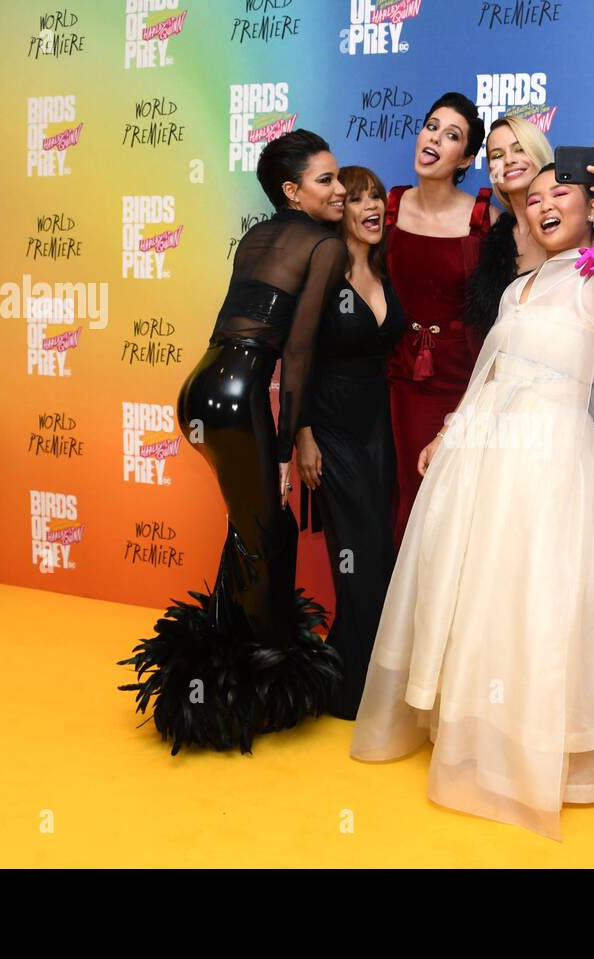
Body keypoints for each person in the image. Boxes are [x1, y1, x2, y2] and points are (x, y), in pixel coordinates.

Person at [350, 142, 594, 843]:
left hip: (550, 464)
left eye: (561, 193)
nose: (544, 205)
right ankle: (483, 736)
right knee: (489, 596)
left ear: (591, 205)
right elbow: (492, 376)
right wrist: (450, 432)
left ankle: (556, 754)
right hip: (484, 460)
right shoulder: (518, 288)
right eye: (532, 199)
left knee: (545, 600)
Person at [119, 130, 347, 754]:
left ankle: (225, 668)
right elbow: (295, 354)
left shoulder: (255, 237)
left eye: (338, 178)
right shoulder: (325, 245)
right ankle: (257, 689)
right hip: (238, 395)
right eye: (326, 180)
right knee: (267, 534)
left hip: (197, 390)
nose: (341, 189)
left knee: (248, 531)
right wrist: (284, 445)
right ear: (292, 191)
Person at [293, 165, 406, 720]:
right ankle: (350, 693)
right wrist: (304, 435)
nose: (372, 205)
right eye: (358, 197)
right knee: (358, 556)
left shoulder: (385, 272)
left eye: (379, 196)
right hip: (332, 429)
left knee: (380, 553)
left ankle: (353, 676)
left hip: (379, 429)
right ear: (341, 210)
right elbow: (299, 357)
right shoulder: (324, 271)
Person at [383, 92, 495, 547]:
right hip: (397, 377)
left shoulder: (480, 218)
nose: (435, 138)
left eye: (452, 135)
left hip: (460, 379)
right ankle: (400, 613)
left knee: (451, 504)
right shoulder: (388, 207)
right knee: (403, 496)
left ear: (466, 157)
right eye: (432, 126)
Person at [466, 115, 594, 377]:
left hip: (570, 386)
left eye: (519, 148)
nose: (509, 160)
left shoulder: (578, 228)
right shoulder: (494, 236)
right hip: (505, 388)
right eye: (497, 155)